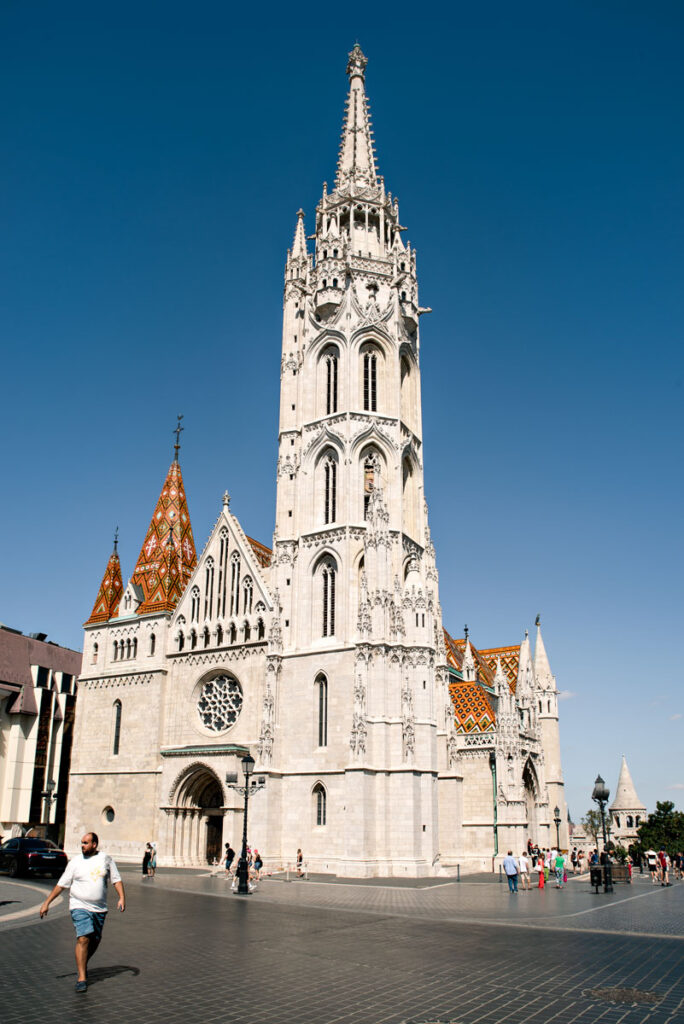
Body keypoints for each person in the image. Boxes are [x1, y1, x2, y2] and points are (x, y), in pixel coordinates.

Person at [39, 831, 125, 993]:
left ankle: (82, 962)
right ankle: (82, 977)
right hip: (79, 905)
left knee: (95, 940)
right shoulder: (75, 862)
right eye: (82, 842)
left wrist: (121, 897)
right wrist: (47, 902)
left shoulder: (105, 859)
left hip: (99, 908)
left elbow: (116, 879)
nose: (82, 845)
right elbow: (61, 884)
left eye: (86, 843)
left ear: (94, 844)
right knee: (83, 938)